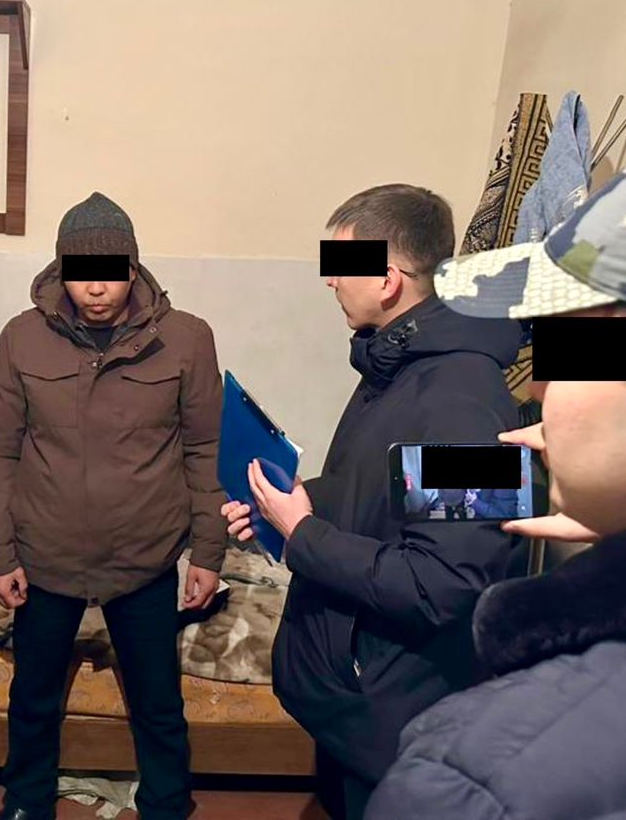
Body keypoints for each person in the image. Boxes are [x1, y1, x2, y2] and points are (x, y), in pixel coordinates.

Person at [367, 140, 626, 818]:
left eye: (565, 349)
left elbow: (442, 564)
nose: (539, 388)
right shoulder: (392, 364)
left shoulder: (480, 782)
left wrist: (304, 533)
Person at [221, 185, 527, 819]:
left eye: (340, 265)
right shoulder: (395, 365)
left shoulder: (463, 402)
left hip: (392, 715)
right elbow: (379, 485)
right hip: (355, 701)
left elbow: (444, 584)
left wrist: (303, 533)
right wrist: (297, 500)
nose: (330, 280)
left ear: (387, 280)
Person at [0, 191, 225, 820]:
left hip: (144, 557)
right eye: (80, 273)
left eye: (110, 273)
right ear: (60, 271)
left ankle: (168, 803)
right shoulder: (21, 338)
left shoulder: (187, 340)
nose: (95, 289)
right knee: (33, 698)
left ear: (133, 269)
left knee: (158, 701)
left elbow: (205, 451)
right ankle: (27, 802)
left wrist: (208, 551)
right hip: (46, 556)